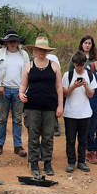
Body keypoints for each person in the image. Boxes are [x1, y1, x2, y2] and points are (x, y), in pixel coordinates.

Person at [19, 37, 63, 177]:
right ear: (35, 50)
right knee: (33, 136)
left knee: (48, 136)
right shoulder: (29, 66)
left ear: (47, 51)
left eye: (44, 50)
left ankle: (47, 162)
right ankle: (34, 163)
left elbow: (59, 87)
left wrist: (60, 106)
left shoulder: (54, 65)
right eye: (39, 49)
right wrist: (20, 93)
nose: (41, 52)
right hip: (32, 106)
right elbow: (23, 85)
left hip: (50, 106)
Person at [0, 29, 29, 157]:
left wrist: (23, 91)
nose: (13, 43)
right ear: (6, 42)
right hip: (4, 90)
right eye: (10, 41)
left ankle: (18, 146)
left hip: (19, 90)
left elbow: (27, 72)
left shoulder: (24, 55)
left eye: (15, 41)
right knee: (2, 119)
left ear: (18, 42)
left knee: (18, 119)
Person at [62, 51, 97, 173]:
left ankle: (81, 162)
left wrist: (85, 86)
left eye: (81, 65)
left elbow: (91, 94)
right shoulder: (68, 75)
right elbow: (64, 93)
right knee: (70, 140)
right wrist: (73, 87)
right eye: (77, 65)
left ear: (85, 63)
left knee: (83, 140)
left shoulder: (90, 76)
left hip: (85, 113)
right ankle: (71, 162)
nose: (79, 67)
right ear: (74, 63)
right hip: (70, 113)